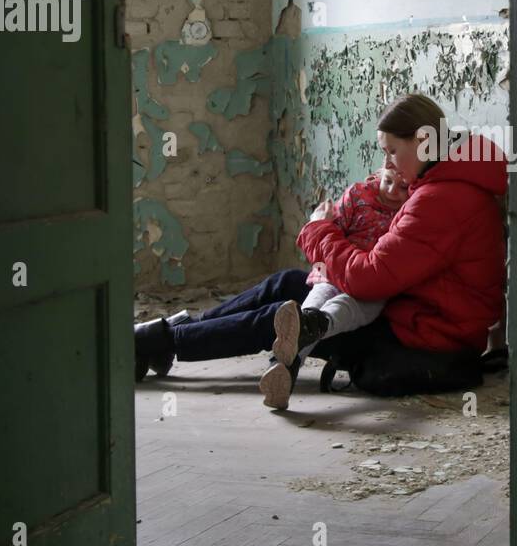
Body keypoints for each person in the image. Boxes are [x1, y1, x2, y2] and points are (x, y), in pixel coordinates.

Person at [133, 167, 410, 410]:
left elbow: (373, 273)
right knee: (287, 281)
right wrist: (325, 229)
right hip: (349, 281)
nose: (393, 188)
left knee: (277, 318)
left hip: (378, 322)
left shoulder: (419, 208)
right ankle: (178, 328)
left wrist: (319, 228)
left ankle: (159, 341)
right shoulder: (370, 195)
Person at [295, 93, 508, 397]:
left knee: (284, 313)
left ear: (422, 140)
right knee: (287, 287)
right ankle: (199, 328)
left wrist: (318, 231)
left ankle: (200, 339)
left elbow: (368, 279)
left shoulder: (440, 200)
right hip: (425, 321)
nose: (387, 164)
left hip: (429, 338)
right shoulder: (445, 183)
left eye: (392, 151)